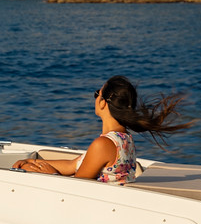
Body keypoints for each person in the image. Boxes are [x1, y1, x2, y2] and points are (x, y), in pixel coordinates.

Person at [11, 75, 189, 182]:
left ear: (103, 103)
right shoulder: (124, 139)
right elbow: (73, 165)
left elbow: (78, 187)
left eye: (97, 93)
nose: (95, 98)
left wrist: (50, 174)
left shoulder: (103, 144)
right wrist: (32, 163)